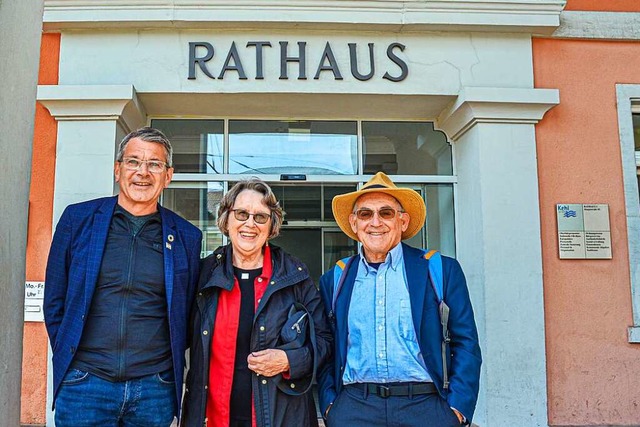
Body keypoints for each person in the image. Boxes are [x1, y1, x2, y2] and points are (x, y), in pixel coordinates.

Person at [44, 127, 202, 426]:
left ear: (168, 175)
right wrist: (75, 360)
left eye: (154, 164)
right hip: (84, 383)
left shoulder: (186, 237)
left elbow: (188, 312)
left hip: (154, 388)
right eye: (133, 161)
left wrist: (161, 371)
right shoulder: (78, 220)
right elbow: (55, 301)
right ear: (118, 170)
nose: (143, 172)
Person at [317, 172, 482, 426]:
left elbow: (466, 342)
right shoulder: (335, 278)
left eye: (386, 213)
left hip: (426, 407)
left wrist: (457, 408)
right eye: (365, 214)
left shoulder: (440, 269)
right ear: (353, 223)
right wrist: (331, 405)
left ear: (402, 221)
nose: (375, 222)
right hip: (354, 407)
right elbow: (326, 345)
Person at [181, 178, 332, 427]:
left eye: (260, 217)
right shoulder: (202, 274)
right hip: (212, 418)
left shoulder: (294, 275)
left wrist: (289, 360)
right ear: (226, 219)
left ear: (271, 224)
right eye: (241, 214)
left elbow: (325, 343)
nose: (250, 224)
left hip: (281, 418)